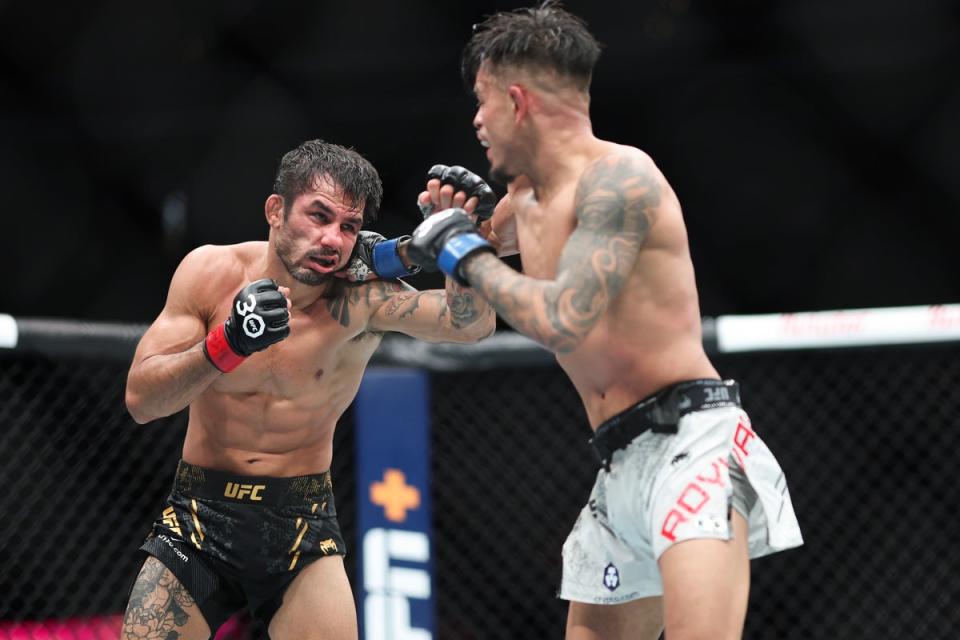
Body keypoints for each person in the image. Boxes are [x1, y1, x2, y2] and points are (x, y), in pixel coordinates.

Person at [406, 4, 803, 639]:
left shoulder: (620, 181)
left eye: (482, 102)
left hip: (691, 446)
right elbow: (467, 317)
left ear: (518, 100)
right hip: (618, 461)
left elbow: (563, 318)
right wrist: (454, 235)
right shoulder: (524, 202)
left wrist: (464, 249)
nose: (476, 122)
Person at [122, 139, 496, 640]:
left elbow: (472, 324)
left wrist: (462, 242)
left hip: (299, 522)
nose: (332, 239)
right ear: (275, 210)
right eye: (318, 216)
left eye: (349, 226)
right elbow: (142, 402)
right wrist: (227, 343)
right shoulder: (211, 274)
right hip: (198, 518)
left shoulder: (360, 301)